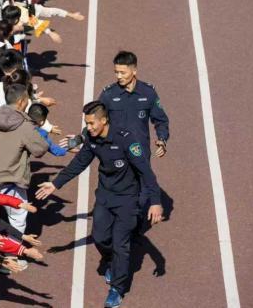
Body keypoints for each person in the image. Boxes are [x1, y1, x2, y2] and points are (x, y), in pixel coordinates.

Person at [36, 101, 164, 308]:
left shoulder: (126, 140)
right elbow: (79, 162)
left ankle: (117, 288)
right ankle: (112, 261)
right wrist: (55, 184)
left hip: (127, 200)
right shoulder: (92, 139)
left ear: (104, 120)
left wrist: (155, 202)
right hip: (105, 196)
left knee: (121, 244)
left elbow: (146, 172)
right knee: (100, 237)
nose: (88, 128)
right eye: (86, 123)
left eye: (91, 123)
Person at [0, 83, 49, 236]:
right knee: (17, 220)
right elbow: (41, 149)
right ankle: (14, 249)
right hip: (13, 183)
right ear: (21, 101)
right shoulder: (25, 126)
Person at [98, 51, 169, 160]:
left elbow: (161, 120)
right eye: (116, 72)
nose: (119, 76)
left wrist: (162, 139)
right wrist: (81, 139)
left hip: (140, 154)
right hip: (115, 155)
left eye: (123, 73)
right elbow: (96, 119)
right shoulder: (108, 94)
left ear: (134, 71)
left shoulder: (148, 92)